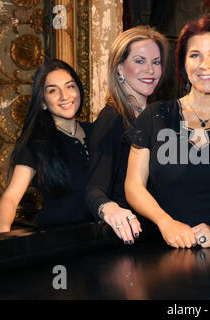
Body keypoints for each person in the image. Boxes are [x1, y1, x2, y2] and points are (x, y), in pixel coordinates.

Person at [124, 15, 210, 249]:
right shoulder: (156, 116)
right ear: (184, 64)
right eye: (195, 55)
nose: (204, 64)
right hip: (162, 257)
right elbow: (134, 185)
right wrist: (165, 222)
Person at [85, 26, 168, 244]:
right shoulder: (111, 119)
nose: (150, 70)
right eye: (140, 61)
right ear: (120, 68)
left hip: (165, 235)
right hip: (130, 240)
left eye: (156, 62)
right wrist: (109, 208)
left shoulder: (162, 118)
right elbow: (94, 189)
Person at [0, 59, 93, 232]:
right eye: (53, 90)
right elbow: (10, 198)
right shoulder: (37, 143)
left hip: (104, 238)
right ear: (43, 102)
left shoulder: (97, 132)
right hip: (59, 242)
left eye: (70, 86)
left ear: (79, 89)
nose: (64, 96)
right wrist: (2, 235)